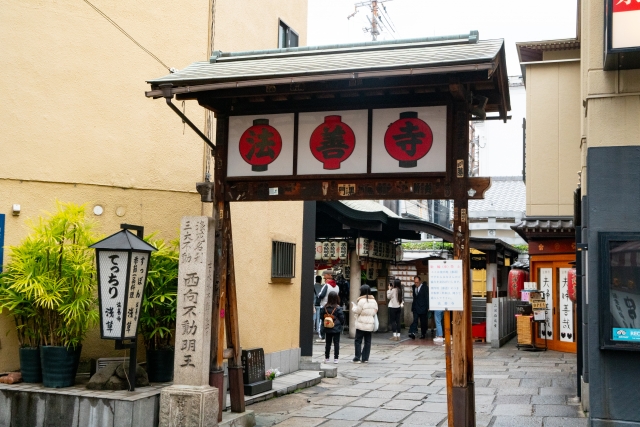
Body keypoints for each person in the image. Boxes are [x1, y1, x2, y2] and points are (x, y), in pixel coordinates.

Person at [351, 284, 378, 363]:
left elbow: (357, 311)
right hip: (370, 323)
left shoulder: (361, 301)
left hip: (361, 323)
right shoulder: (374, 301)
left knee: (358, 340)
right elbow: (376, 310)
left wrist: (353, 307)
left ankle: (357, 357)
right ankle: (365, 358)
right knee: (367, 341)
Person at [321, 292, 345, 364]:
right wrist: (340, 324)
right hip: (336, 327)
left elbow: (321, 317)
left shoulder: (325, 307)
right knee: (336, 343)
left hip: (327, 327)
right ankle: (336, 358)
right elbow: (341, 318)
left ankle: (327, 357)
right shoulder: (338, 308)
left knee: (328, 343)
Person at [317, 270, 340, 339]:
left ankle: (322, 336)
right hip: (334, 306)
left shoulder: (326, 286)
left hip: (324, 305)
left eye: (325, 278)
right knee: (332, 320)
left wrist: (318, 295)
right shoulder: (337, 287)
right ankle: (331, 335)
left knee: (322, 320)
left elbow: (321, 295)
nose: (324, 280)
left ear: (329, 277)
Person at [409, 275, 429, 340]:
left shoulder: (425, 287)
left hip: (423, 307)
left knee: (423, 321)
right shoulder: (413, 287)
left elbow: (427, 297)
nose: (416, 284)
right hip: (415, 307)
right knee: (415, 320)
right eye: (415, 282)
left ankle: (423, 333)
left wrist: (428, 306)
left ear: (420, 281)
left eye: (417, 282)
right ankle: (413, 333)